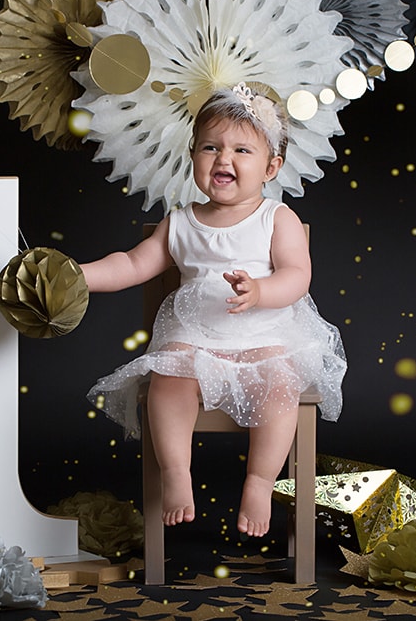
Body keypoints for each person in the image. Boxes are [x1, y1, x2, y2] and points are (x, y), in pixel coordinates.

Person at [81, 82, 345, 538]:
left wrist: (260, 290)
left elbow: (297, 274)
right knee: (167, 381)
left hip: (263, 336)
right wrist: (78, 275)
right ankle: (176, 472)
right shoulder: (180, 222)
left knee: (280, 385)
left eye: (242, 150)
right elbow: (132, 264)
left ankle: (260, 481)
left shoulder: (276, 218)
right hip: (195, 337)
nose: (224, 159)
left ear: (271, 166)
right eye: (211, 147)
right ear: (193, 155)